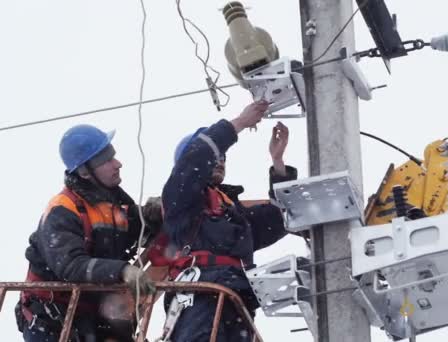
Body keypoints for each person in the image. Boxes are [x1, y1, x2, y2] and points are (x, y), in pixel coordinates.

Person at [160, 101, 297, 341]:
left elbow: (279, 217)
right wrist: (240, 123)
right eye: (216, 156)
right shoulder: (180, 200)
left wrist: (278, 164)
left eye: (224, 157)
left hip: (235, 298)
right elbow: (196, 158)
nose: (221, 160)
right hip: (198, 294)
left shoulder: (232, 213)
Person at [15, 124, 162, 342]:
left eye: (114, 156)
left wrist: (155, 212)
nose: (117, 164)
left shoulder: (113, 208)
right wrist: (123, 270)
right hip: (53, 321)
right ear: (84, 172)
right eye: (106, 160)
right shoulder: (62, 210)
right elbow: (71, 265)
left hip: (91, 317)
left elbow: (139, 225)